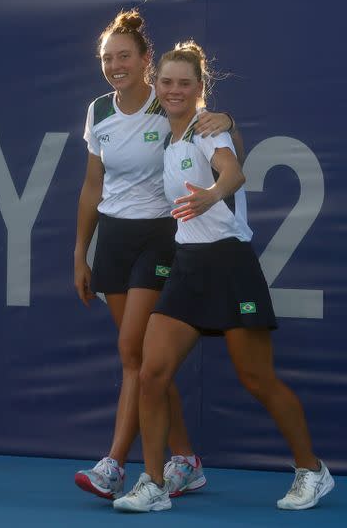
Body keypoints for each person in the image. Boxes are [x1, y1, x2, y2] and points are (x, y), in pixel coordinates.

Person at [112, 40, 335, 513]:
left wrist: (214, 193)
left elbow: (232, 171)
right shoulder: (169, 136)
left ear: (199, 89)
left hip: (230, 265)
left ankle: (312, 470)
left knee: (257, 379)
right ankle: (153, 482)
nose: (174, 90)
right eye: (167, 82)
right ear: (156, 85)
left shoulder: (209, 130)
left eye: (185, 84)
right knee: (152, 375)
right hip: (187, 266)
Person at [74, 9, 241, 500]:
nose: (115, 65)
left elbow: (208, 124)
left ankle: (113, 465)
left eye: (124, 56)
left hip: (160, 237)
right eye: (108, 58)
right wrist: (80, 253)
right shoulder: (98, 111)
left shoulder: (164, 104)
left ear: (146, 60)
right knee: (146, 362)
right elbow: (91, 186)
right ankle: (185, 459)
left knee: (133, 353)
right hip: (114, 240)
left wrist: (228, 117)